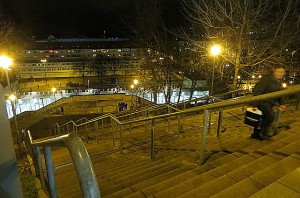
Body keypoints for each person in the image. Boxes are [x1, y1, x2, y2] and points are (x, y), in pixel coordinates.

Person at [251, 66, 286, 140]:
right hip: (263, 101)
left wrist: (282, 103)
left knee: (262, 118)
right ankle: (263, 133)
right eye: (279, 71)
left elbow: (280, 93)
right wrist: (255, 104)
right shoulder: (266, 79)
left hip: (270, 102)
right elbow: (258, 91)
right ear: (275, 72)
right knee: (270, 116)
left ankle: (256, 134)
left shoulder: (278, 81)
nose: (281, 74)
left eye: (282, 72)